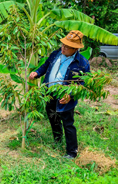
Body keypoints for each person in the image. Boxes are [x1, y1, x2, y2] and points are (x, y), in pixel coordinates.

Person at [29, 30, 90, 159]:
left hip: (65, 98)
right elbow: (45, 66)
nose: (63, 47)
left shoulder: (82, 63)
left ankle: (71, 152)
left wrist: (70, 95)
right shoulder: (56, 54)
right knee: (53, 118)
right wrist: (37, 73)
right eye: (63, 44)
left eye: (67, 46)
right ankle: (57, 140)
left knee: (68, 123)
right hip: (49, 93)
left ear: (75, 48)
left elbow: (82, 84)